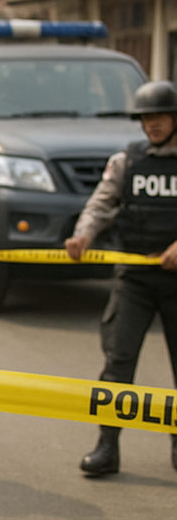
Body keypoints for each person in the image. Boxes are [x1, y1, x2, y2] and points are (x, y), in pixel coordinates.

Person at [65, 79, 177, 478]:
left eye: (161, 116)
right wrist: (84, 233)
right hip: (135, 278)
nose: (154, 124)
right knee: (118, 362)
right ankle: (106, 446)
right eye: (147, 117)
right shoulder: (127, 160)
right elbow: (102, 203)